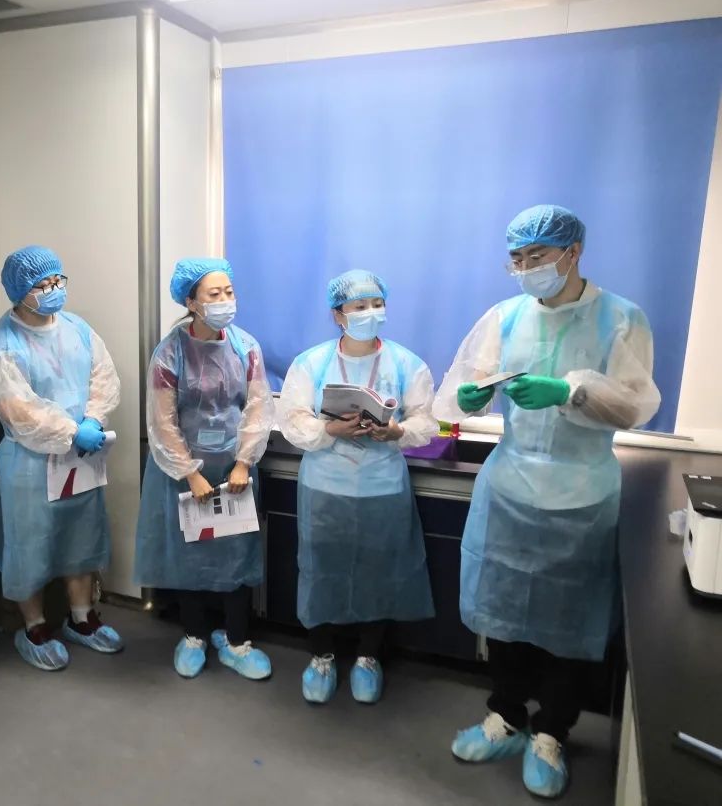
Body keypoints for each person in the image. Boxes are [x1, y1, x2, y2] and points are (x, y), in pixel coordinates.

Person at [433, 205, 661, 799]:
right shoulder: (505, 317)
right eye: (517, 258)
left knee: (570, 624)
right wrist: (468, 398)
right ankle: (506, 715)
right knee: (504, 615)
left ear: (573, 252)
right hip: (510, 489)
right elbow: (454, 394)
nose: (526, 267)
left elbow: (636, 405)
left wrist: (570, 390)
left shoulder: (620, 318)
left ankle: (552, 731)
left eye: (537, 256)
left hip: (582, 495)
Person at [278, 269, 437, 704]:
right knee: (320, 570)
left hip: (382, 486)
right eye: (359, 306)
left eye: (376, 304)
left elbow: (427, 422)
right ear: (338, 314)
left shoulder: (406, 364)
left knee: (379, 573)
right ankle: (322, 655)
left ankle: (368, 657)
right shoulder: (311, 363)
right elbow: (292, 421)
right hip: (325, 486)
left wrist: (397, 431)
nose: (370, 312)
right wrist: (329, 429)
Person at [0, 246, 123, 671]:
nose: (54, 289)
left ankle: (82, 618)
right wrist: (69, 430)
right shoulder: (4, 344)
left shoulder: (77, 328)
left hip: (81, 456)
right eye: (43, 285)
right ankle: (35, 626)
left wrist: (93, 418)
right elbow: (17, 409)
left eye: (58, 280)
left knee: (81, 536)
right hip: (30, 463)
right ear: (19, 292)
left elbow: (103, 376)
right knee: (30, 545)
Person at [134, 258, 275, 681]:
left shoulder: (245, 347)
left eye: (229, 291)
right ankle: (193, 635)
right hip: (183, 470)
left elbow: (258, 409)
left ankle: (236, 641)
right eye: (214, 294)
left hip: (235, 471)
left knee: (236, 553)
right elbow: (162, 422)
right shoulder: (170, 352)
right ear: (191, 302)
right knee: (190, 553)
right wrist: (190, 473)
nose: (225, 300)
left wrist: (243, 463)